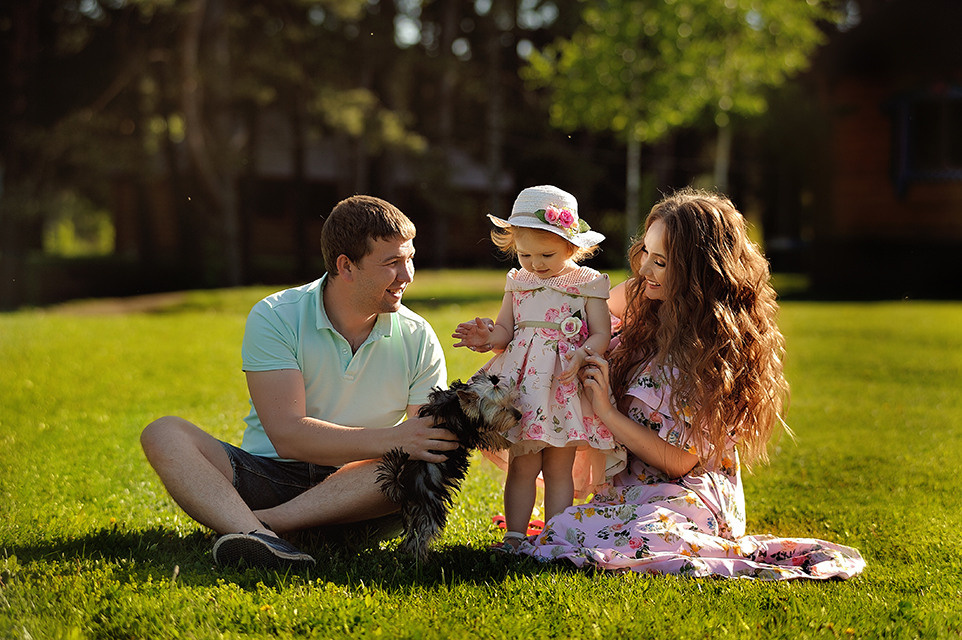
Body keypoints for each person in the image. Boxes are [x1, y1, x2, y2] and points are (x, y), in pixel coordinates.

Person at [518, 188, 866, 579]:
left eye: (660, 261)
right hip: (632, 489)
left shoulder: (709, 353)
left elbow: (679, 460)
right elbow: (569, 310)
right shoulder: (643, 296)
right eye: (645, 253)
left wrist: (606, 412)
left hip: (687, 495)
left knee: (592, 532)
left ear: (698, 273)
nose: (644, 269)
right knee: (574, 527)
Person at [140, 195, 458, 570]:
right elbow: (287, 436)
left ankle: (258, 528)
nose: (407, 276)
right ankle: (268, 536)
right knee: (163, 433)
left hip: (359, 492)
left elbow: (428, 444)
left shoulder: (418, 335)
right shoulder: (277, 316)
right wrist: (397, 438)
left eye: (410, 259)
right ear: (346, 266)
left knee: (418, 464)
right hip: (268, 475)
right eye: (392, 263)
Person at [452, 185, 626, 552]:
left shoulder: (588, 283)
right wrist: (486, 337)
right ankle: (515, 536)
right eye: (525, 253)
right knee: (523, 463)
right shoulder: (519, 281)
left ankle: (554, 537)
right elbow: (505, 331)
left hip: (564, 382)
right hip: (524, 387)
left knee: (558, 466)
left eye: (546, 254)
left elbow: (601, 334)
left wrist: (582, 354)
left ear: (572, 246)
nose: (535, 263)